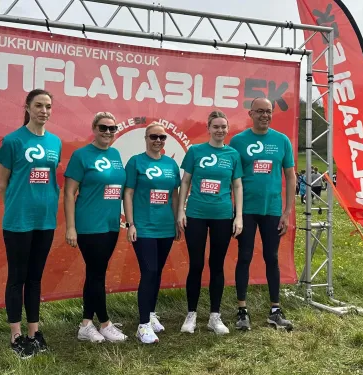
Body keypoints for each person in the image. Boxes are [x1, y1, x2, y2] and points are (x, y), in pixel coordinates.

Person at [0, 89, 62, 358]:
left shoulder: (55, 142)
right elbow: (3, 183)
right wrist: (16, 205)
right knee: (17, 278)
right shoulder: (12, 141)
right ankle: (16, 335)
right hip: (18, 221)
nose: (43, 111)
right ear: (27, 107)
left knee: (35, 278)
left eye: (48, 106)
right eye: (38, 106)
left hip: (45, 220)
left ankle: (34, 332)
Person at [229, 97, 296, 331]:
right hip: (245, 210)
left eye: (268, 111)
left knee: (272, 258)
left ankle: (275, 311)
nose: (265, 115)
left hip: (273, 211)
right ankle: (242, 311)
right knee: (244, 257)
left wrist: (287, 212)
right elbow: (232, 178)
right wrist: (234, 211)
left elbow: (290, 176)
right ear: (251, 113)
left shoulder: (281, 140)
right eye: (260, 111)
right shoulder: (238, 141)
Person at [177, 110, 243, 335]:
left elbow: (237, 186)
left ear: (227, 129)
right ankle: (191, 314)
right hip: (196, 214)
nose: (220, 130)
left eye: (223, 127)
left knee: (217, 265)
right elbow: (185, 182)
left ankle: (215, 316)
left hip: (223, 216)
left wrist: (239, 216)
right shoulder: (195, 151)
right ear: (208, 128)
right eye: (216, 126)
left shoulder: (233, 154)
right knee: (196, 265)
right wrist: (180, 211)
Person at [64, 112, 128, 343]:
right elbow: (69, 192)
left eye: (112, 129)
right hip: (89, 225)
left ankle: (85, 324)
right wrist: (71, 227)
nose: (108, 133)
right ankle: (105, 323)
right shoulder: (81, 155)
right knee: (97, 274)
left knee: (95, 274)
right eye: (103, 128)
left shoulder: (116, 154)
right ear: (94, 128)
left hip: (110, 224)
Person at [123, 122, 181, 344]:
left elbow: (174, 195)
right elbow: (127, 193)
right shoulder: (136, 162)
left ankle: (151, 312)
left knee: (157, 273)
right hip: (144, 227)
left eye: (162, 137)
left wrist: (177, 220)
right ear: (146, 138)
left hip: (166, 227)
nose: (158, 140)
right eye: (153, 136)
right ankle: (143, 324)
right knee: (149, 271)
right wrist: (131, 224)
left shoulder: (171, 164)